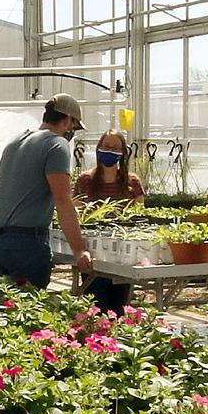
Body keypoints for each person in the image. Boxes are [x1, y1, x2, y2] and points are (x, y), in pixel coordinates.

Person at [0, 94, 94, 288]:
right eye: (74, 126)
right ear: (68, 120)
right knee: (28, 310)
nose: (72, 132)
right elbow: (62, 201)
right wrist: (79, 250)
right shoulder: (56, 145)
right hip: (26, 244)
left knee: (2, 309)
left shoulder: (15, 142)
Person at [74, 130, 144, 312]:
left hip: (123, 254)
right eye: (105, 147)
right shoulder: (85, 180)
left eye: (114, 148)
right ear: (98, 149)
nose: (109, 151)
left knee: (119, 305)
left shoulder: (132, 182)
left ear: (123, 153)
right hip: (94, 252)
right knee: (97, 304)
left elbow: (140, 215)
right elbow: (76, 213)